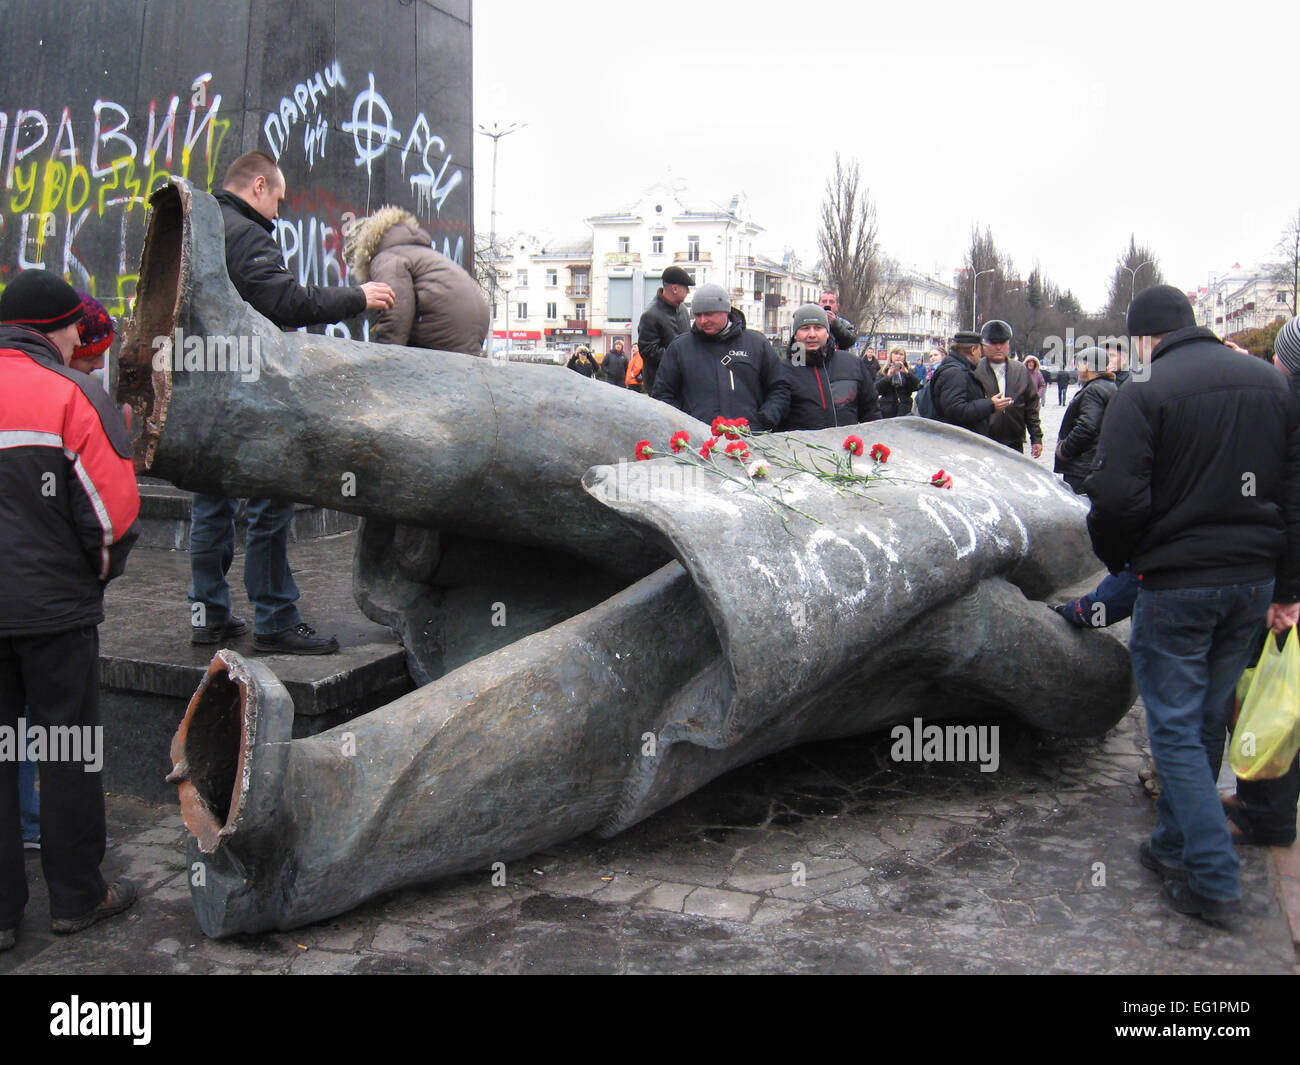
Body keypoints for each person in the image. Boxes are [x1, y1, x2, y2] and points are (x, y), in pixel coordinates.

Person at [1087, 285, 1300, 922]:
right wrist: (1287, 589)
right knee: (1207, 718)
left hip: (1178, 585)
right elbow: (1292, 497)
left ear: (1144, 338)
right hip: (1252, 585)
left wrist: (1124, 561)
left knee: (1175, 728)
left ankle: (1210, 875)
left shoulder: (1143, 390)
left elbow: (1117, 498)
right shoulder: (1270, 383)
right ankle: (1172, 841)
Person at [189, 151, 396, 656]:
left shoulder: (205, 228)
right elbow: (285, 302)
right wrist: (357, 297)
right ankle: (275, 617)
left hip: (202, 386)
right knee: (270, 501)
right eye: (278, 199)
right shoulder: (245, 232)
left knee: (212, 503)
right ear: (259, 185)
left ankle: (209, 614)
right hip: (246, 392)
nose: (279, 215)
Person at [0, 269, 142, 950]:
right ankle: (78, 897)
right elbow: (113, 517)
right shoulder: (74, 394)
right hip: (55, 614)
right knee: (67, 753)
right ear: (59, 329)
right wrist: (92, 579)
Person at [1221, 315, 1300, 848]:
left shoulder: (1289, 409)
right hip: (1279, 573)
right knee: (1267, 690)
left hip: (1281, 580)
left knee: (1269, 695)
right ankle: (1258, 799)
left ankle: (1267, 813)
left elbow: (1292, 506)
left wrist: (1287, 593)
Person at [343, 205, 488, 355]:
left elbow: (396, 313)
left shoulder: (385, 259)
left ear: (361, 254)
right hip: (466, 333)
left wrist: (382, 360)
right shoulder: (418, 253)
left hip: (442, 330)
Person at [651, 283, 790, 430]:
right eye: (698, 315)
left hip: (750, 440)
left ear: (726, 311)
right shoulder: (680, 348)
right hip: (699, 443)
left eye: (709, 314)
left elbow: (779, 388)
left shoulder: (756, 344)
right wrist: (685, 426)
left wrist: (764, 420)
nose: (703, 321)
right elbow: (662, 396)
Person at [778, 303, 880, 431]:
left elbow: (871, 412)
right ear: (795, 335)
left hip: (847, 448)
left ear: (827, 332)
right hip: (802, 449)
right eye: (805, 328)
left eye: (818, 327)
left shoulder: (852, 364)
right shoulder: (783, 371)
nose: (812, 334)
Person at [974, 320, 1042, 457]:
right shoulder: (975, 370)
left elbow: (1031, 406)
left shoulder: (1020, 370)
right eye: (993, 343)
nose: (998, 347)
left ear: (1008, 344)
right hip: (983, 441)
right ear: (984, 345)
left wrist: (1036, 438)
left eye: (1003, 343)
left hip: (1014, 440)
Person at [1053, 347, 1116, 494]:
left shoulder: (1094, 390)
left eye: (1079, 365)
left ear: (1087, 366)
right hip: (1094, 463)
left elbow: (1087, 426)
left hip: (1082, 466)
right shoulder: (1107, 386)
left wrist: (1064, 449)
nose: (1077, 370)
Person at [930, 329, 1013, 436]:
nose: (981, 354)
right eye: (980, 349)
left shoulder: (959, 369)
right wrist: (990, 405)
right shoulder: (956, 373)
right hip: (959, 441)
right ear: (973, 350)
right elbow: (956, 411)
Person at [637, 265, 692, 395]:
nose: (688, 291)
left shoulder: (683, 310)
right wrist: (678, 357)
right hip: (661, 384)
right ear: (674, 288)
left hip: (683, 381)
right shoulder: (651, 314)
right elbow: (648, 350)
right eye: (686, 288)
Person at [876, 347, 919, 418]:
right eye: (896, 354)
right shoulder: (883, 371)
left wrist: (907, 374)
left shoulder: (909, 370)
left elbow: (916, 386)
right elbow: (877, 389)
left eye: (901, 354)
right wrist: (888, 377)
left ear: (904, 357)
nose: (898, 356)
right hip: (886, 409)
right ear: (891, 356)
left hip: (904, 408)